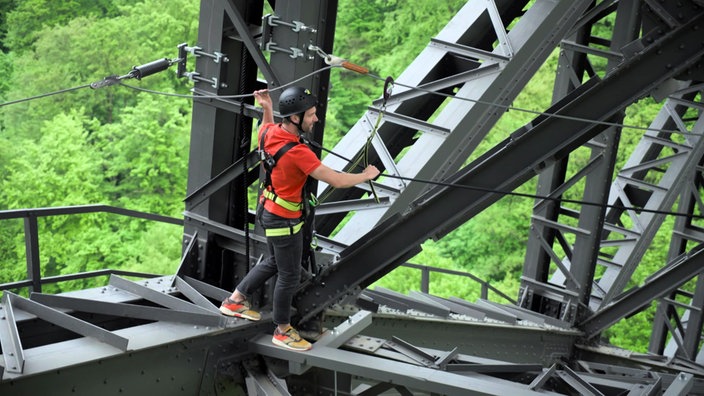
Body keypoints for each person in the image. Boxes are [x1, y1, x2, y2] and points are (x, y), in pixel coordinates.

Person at [219, 86, 380, 351]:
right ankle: (282, 330)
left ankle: (235, 300)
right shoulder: (298, 153)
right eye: (311, 115)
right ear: (295, 118)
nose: (315, 119)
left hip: (269, 210)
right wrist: (366, 176)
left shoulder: (269, 133)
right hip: (284, 219)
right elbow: (337, 180)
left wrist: (267, 107)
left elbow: (267, 124)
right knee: (289, 275)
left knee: (274, 261)